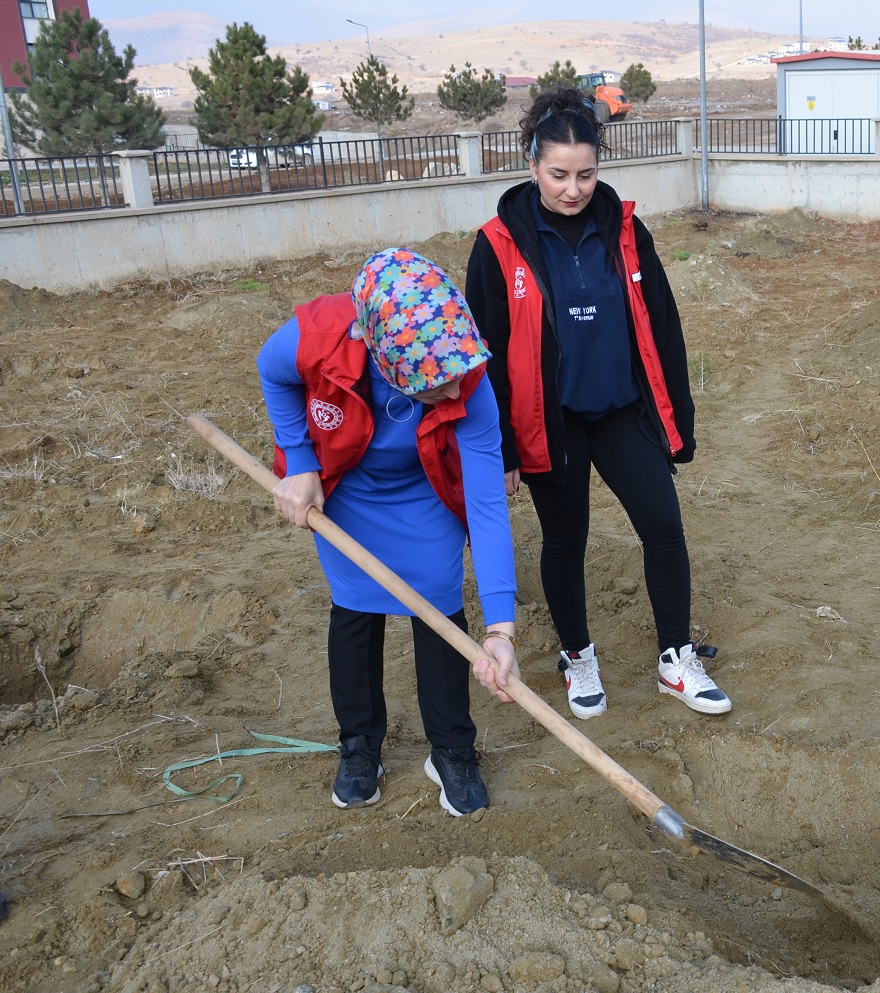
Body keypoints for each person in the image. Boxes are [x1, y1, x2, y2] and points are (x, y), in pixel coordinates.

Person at [465, 86, 730, 720]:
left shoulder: (628, 232)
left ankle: (675, 657)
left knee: (664, 527)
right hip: (550, 423)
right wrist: (501, 449)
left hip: (621, 412)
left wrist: (678, 422)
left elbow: (663, 326)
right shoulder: (498, 245)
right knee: (566, 541)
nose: (573, 189)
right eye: (558, 174)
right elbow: (487, 357)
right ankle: (577, 656)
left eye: (586, 173)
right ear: (532, 164)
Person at [258, 248, 519, 817]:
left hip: (425, 487)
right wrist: (300, 463)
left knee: (437, 598)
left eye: (458, 379)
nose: (454, 394)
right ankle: (359, 746)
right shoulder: (321, 336)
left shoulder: (465, 377)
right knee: (353, 604)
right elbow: (271, 370)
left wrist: (501, 629)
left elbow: (487, 507)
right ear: (389, 360)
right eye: (436, 385)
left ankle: (452, 746)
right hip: (348, 485)